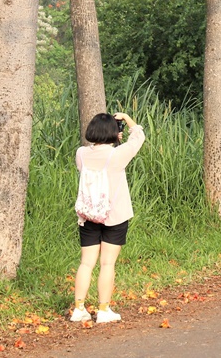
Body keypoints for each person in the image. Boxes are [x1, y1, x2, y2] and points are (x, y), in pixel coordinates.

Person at [70, 112, 145, 324]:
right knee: (107, 263)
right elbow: (138, 136)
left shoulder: (81, 153)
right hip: (115, 216)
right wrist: (127, 118)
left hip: (89, 215)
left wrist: (111, 142)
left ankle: (79, 308)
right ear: (114, 133)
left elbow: (90, 162)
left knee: (86, 264)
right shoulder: (117, 155)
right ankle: (103, 310)